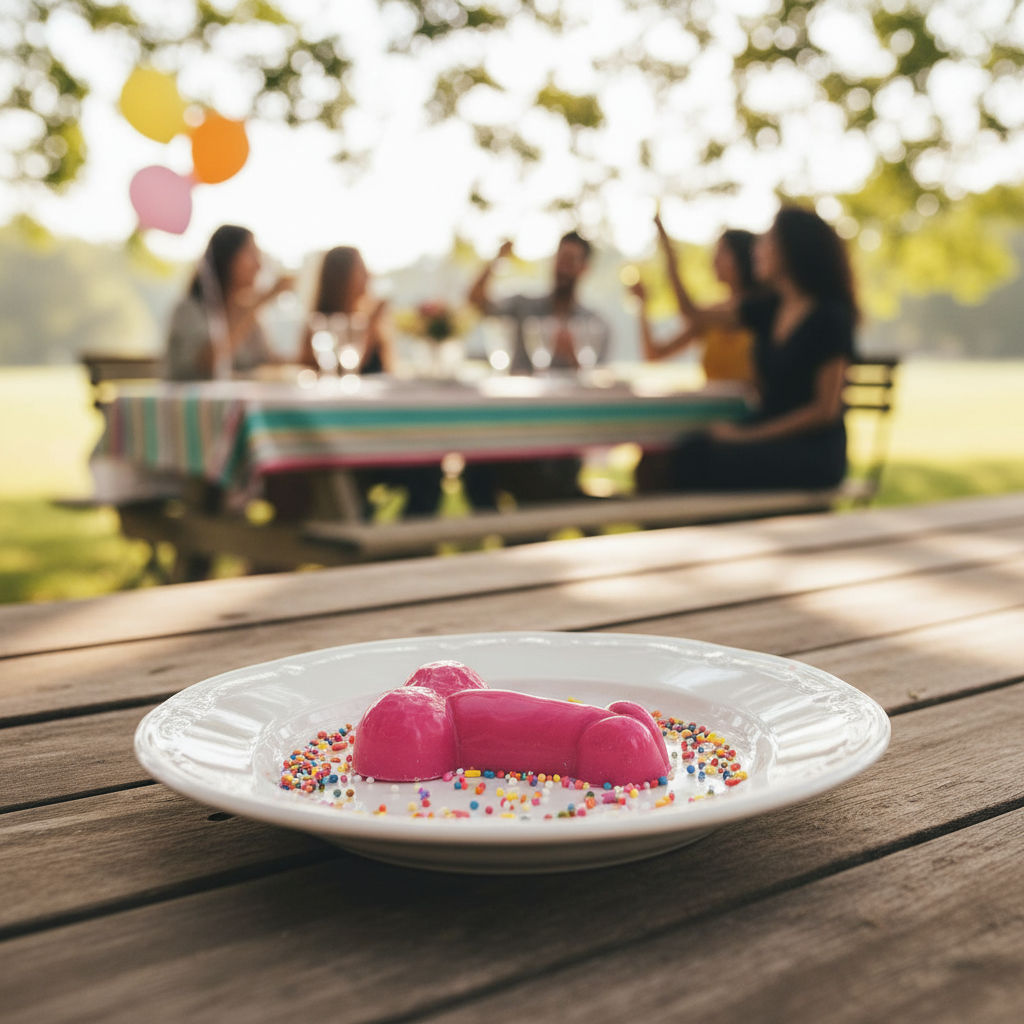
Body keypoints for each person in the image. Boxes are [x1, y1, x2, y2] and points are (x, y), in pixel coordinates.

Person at [636, 206, 858, 492]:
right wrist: (668, 251)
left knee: (695, 461)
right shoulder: (768, 311)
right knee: (674, 454)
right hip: (766, 438)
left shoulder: (830, 317)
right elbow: (692, 314)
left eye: (767, 241)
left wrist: (747, 435)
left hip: (811, 451)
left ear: (791, 249)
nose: (757, 249)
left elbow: (824, 411)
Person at [468, 231, 610, 374]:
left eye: (571, 261)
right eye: (561, 259)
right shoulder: (524, 305)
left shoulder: (595, 325)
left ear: (584, 268)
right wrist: (499, 258)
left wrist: (574, 355)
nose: (563, 268)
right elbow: (476, 301)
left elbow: (597, 381)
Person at [165, 225, 292, 381]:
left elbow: (266, 362)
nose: (258, 265)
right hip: (194, 404)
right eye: (250, 254)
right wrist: (262, 301)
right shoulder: (189, 310)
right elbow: (210, 361)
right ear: (227, 257)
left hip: (240, 403)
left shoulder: (249, 311)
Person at [633, 226, 758, 383]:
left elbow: (688, 311)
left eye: (722, 253)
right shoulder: (710, 316)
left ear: (743, 257)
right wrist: (642, 306)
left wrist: (668, 252)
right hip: (712, 406)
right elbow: (654, 355)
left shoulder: (763, 309)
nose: (714, 260)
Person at [299, 246, 393, 374]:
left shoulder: (369, 319)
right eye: (361, 269)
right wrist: (372, 324)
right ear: (341, 276)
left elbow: (389, 370)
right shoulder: (318, 325)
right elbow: (345, 369)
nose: (368, 275)